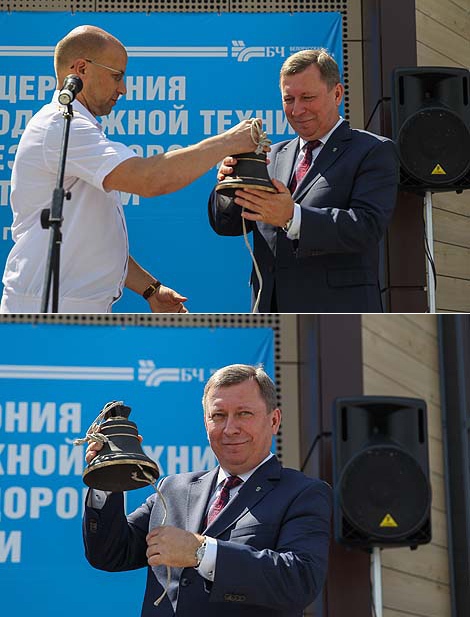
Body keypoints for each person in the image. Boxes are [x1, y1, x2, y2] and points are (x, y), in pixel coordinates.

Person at [1, 25, 264, 314]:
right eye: (117, 76)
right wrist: (228, 141)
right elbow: (150, 179)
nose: (123, 88)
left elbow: (92, 242)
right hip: (49, 307)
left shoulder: (73, 128)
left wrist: (150, 289)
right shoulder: (63, 125)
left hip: (72, 306)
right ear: (80, 69)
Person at [82, 364, 332, 616]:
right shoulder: (173, 490)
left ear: (274, 420)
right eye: (219, 416)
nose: (230, 429)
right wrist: (107, 479)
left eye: (244, 414)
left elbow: (300, 580)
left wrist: (201, 552)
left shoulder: (303, 493)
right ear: (205, 422)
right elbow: (110, 554)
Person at [208, 48, 399, 313]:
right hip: (269, 309)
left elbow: (366, 227)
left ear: (337, 94)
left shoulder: (372, 151)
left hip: (336, 313)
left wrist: (293, 217)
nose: (297, 110)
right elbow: (227, 225)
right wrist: (227, 187)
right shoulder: (270, 155)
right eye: (289, 99)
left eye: (308, 97)